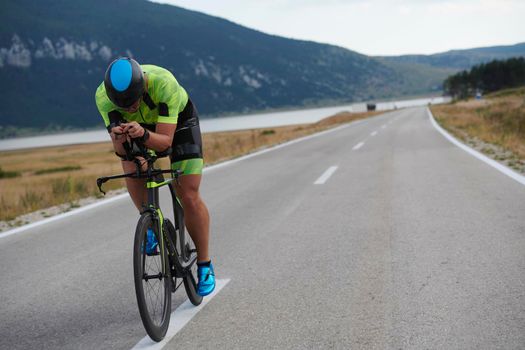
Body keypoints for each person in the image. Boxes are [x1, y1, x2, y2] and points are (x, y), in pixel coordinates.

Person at [95, 57, 215, 296]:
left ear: (142, 87)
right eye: (123, 105)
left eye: (133, 101)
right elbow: (121, 152)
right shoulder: (102, 97)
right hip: (140, 128)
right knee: (131, 165)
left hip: (178, 124)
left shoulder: (163, 83)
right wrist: (120, 140)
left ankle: (205, 265)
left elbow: (164, 144)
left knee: (188, 195)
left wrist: (142, 134)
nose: (129, 108)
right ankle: (150, 224)